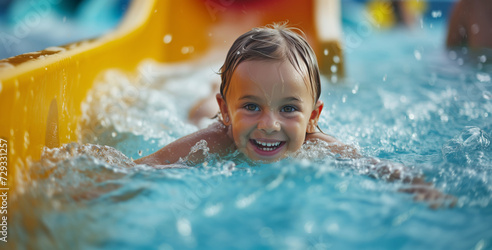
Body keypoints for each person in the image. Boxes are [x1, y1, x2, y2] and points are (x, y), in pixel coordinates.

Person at [135, 23, 455, 208]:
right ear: (227, 111)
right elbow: (141, 169)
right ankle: (209, 91)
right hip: (206, 113)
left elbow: (376, 167)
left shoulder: (320, 145)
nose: (269, 125)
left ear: (313, 116)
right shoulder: (213, 141)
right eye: (251, 106)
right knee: (199, 109)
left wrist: (417, 186)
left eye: (288, 108)